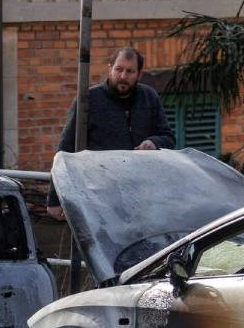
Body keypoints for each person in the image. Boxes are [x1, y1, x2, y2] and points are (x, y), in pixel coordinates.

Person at [46, 47, 174, 220]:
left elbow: (168, 137)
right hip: (99, 196)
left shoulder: (149, 97)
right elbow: (65, 149)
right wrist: (54, 199)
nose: (123, 76)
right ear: (110, 68)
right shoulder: (88, 100)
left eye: (130, 71)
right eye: (119, 69)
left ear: (139, 74)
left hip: (143, 195)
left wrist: (154, 142)